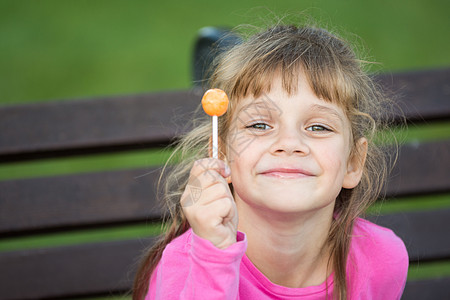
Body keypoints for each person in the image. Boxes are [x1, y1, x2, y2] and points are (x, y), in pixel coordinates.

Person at [133, 24, 409, 300]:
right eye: (260, 125)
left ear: (353, 163)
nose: (289, 143)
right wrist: (214, 257)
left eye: (318, 127)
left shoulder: (380, 259)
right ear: (221, 155)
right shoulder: (185, 268)